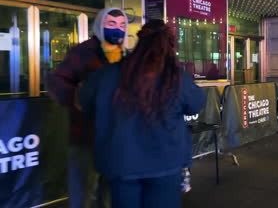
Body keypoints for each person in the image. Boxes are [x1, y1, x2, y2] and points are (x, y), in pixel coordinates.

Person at [79, 19, 207, 208]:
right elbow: (196, 104)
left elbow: (84, 101)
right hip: (166, 164)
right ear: (170, 47)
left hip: (120, 163)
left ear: (139, 42)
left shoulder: (107, 74)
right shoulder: (176, 77)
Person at [47, 8, 128, 208]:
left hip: (115, 138)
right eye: (111, 24)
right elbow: (55, 82)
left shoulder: (126, 56)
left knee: (109, 194)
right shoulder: (83, 52)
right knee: (82, 193)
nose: (118, 29)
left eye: (122, 25)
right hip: (85, 137)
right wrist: (77, 97)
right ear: (100, 25)